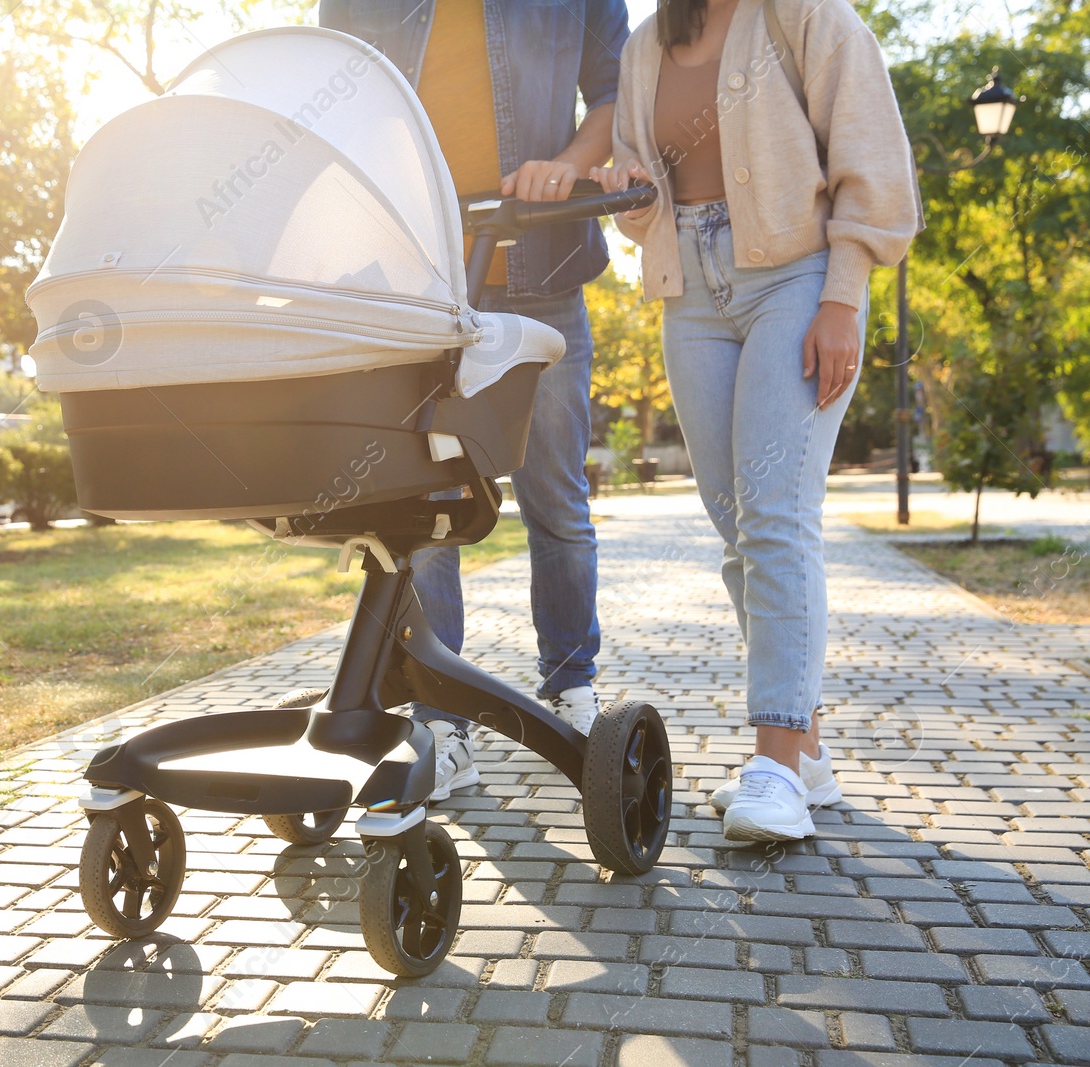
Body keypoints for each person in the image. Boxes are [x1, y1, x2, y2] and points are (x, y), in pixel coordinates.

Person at [592, 0, 920, 840]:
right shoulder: (644, 47)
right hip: (690, 296)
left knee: (776, 514)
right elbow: (643, 203)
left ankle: (773, 762)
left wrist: (842, 299)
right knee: (736, 522)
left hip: (797, 279)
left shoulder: (806, 17)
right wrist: (625, 198)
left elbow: (873, 162)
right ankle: (805, 749)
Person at [318, 0, 631, 801]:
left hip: (540, 276)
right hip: (408, 283)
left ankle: (571, 683)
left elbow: (616, 94)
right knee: (421, 508)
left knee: (556, 499)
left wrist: (565, 160)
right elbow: (335, 111)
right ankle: (438, 717)